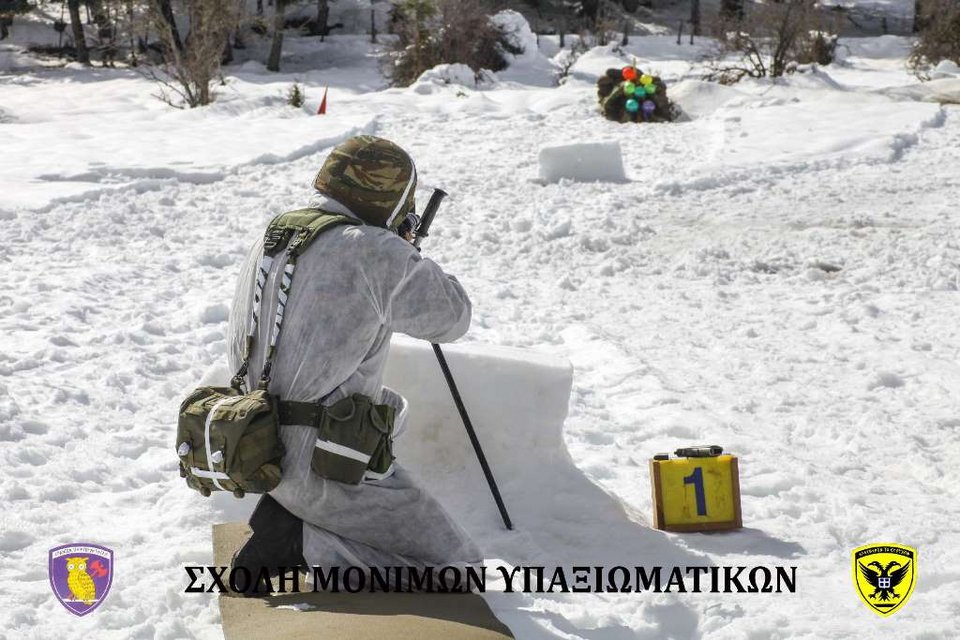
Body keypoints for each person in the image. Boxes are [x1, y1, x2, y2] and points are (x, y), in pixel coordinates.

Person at [226, 135, 481, 593]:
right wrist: (407, 254)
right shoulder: (375, 250)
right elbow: (452, 316)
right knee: (459, 569)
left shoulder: (279, 230)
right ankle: (299, 540)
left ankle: (290, 517)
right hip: (327, 463)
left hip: (256, 446)